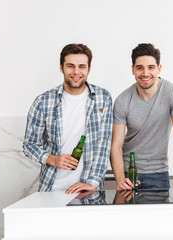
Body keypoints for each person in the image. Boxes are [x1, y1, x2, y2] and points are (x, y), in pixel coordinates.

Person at [23, 43, 112, 194]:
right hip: (51, 188)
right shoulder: (43, 101)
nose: (76, 71)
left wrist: (93, 182)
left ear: (89, 69)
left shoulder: (103, 98)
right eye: (70, 66)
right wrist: (52, 159)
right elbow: (29, 145)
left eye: (82, 66)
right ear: (61, 68)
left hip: (87, 189)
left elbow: (103, 145)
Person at [110, 43, 173, 191]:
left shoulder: (172, 93)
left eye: (151, 67)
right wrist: (120, 180)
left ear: (159, 69)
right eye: (140, 67)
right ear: (133, 70)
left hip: (159, 172)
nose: (145, 73)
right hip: (128, 172)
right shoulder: (122, 100)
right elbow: (116, 145)